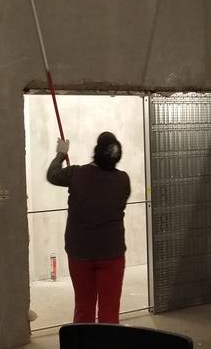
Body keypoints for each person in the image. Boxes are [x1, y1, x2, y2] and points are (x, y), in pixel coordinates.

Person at [46, 131, 131, 323]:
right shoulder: (123, 180)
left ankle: (83, 339)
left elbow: (52, 175)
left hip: (80, 253)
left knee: (83, 308)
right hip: (112, 253)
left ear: (96, 151)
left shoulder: (76, 174)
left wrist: (61, 154)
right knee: (109, 309)